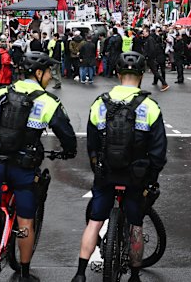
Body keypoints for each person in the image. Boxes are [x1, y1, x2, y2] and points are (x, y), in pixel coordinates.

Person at [0, 51, 77, 282]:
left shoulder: (0, 93)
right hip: (25, 168)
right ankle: (24, 272)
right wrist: (69, 151)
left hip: (0, 163)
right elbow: (66, 133)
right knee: (26, 220)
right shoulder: (47, 101)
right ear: (38, 73)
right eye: (48, 72)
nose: (50, 76)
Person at [71, 51, 167, 282]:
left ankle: (80, 273)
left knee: (95, 222)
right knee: (135, 225)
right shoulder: (150, 106)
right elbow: (158, 150)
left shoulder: (100, 103)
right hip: (136, 175)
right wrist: (151, 177)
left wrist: (98, 168)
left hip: (106, 172)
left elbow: (92, 144)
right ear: (142, 75)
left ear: (117, 73)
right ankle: (134, 275)